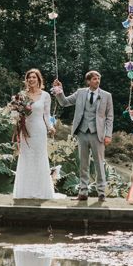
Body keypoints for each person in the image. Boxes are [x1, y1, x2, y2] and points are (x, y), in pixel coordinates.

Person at [52, 71, 114, 201]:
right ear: (88, 81)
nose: (97, 81)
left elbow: (109, 117)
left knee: (99, 163)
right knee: (83, 164)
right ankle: (83, 193)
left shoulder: (106, 96)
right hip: (82, 132)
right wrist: (59, 90)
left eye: (98, 79)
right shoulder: (80, 93)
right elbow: (64, 102)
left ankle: (101, 193)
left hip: (98, 134)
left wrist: (108, 134)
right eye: (94, 79)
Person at [13, 69, 55, 200]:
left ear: (39, 80)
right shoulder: (22, 95)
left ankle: (41, 192)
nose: (31, 79)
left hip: (39, 129)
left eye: (34, 77)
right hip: (25, 129)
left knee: (39, 158)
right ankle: (24, 192)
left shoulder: (45, 95)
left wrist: (51, 127)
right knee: (26, 158)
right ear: (26, 80)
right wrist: (17, 120)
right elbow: (17, 113)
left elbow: (46, 115)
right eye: (29, 77)